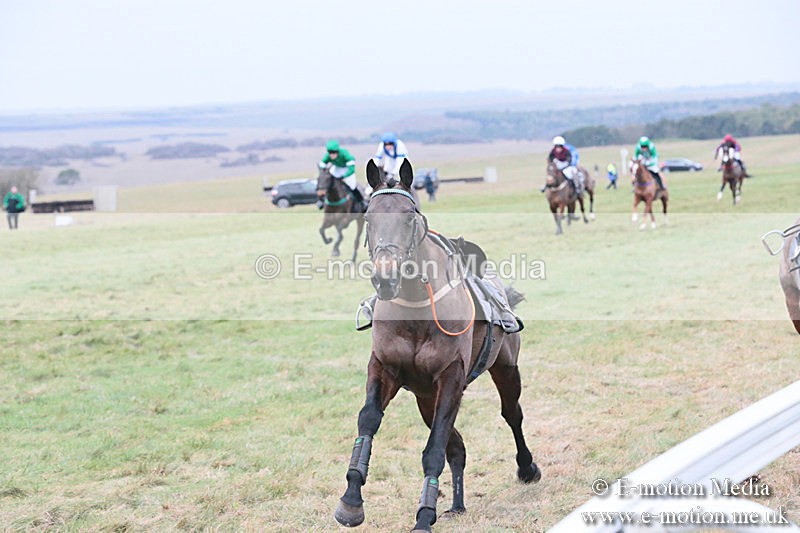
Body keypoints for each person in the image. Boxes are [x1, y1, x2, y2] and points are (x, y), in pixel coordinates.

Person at [318, 140, 365, 211]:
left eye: (334, 152)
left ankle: (362, 202)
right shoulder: (328, 156)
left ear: (338, 151)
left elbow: (351, 169)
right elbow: (322, 165)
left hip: (347, 169)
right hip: (336, 168)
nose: (332, 155)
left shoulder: (345, 154)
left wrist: (344, 176)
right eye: (330, 153)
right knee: (327, 182)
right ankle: (321, 201)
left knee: (352, 186)